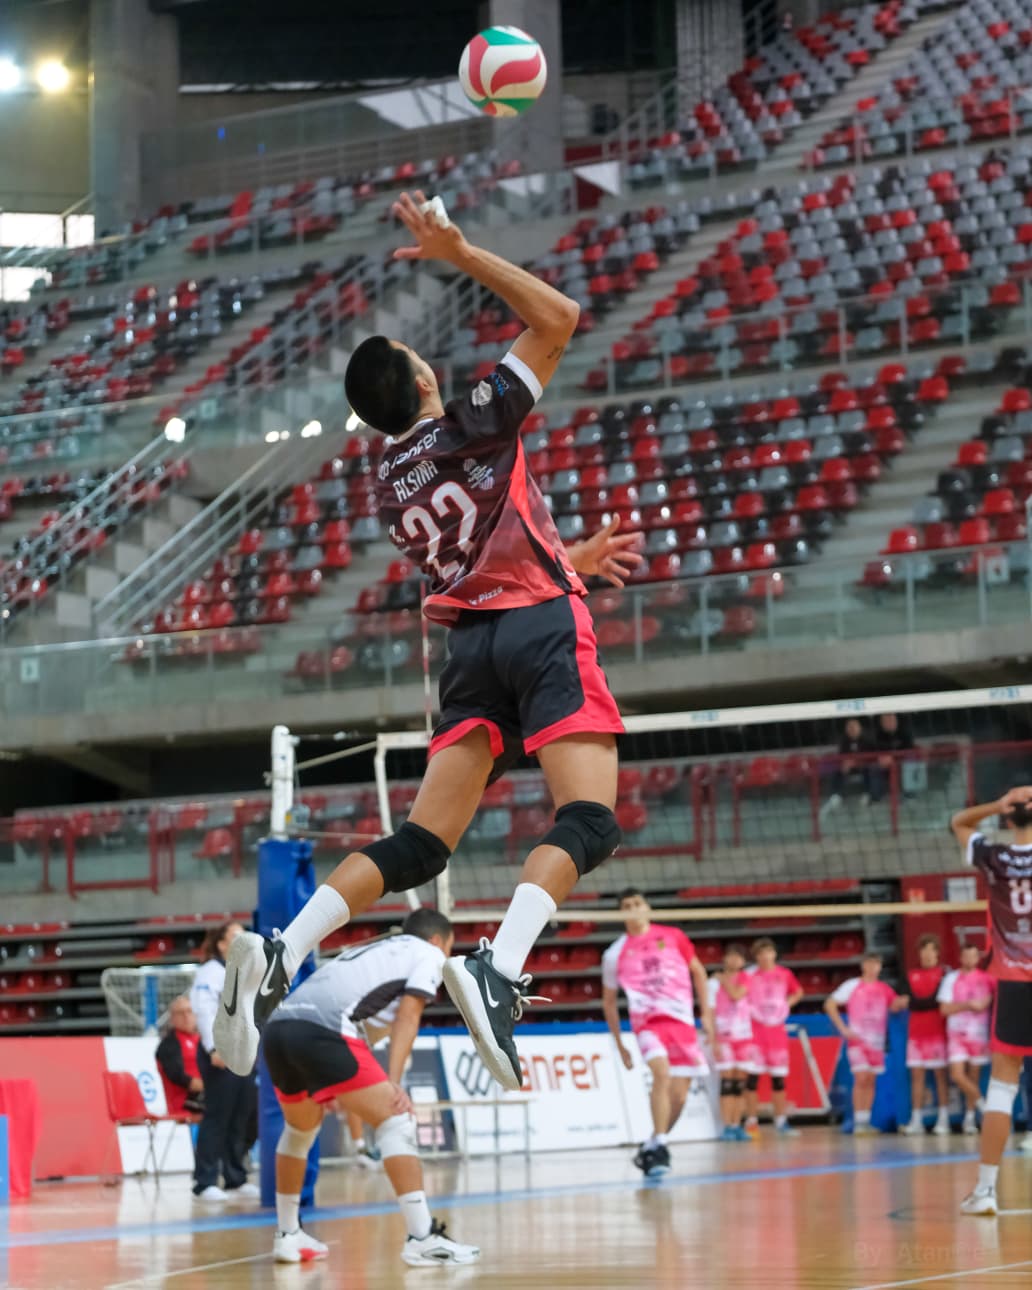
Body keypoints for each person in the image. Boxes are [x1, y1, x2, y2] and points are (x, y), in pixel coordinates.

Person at [215, 191, 642, 1092]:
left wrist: (568, 554)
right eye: (418, 358)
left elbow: (469, 562)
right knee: (590, 819)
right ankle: (499, 968)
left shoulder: (386, 479)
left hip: (473, 650)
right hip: (538, 626)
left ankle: (284, 947)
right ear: (418, 384)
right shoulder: (469, 422)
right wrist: (459, 253)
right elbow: (559, 317)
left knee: (420, 843)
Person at [262, 908, 479, 1267]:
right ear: (437, 940)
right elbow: (408, 1016)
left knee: (299, 1132)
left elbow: (363, 1020)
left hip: (279, 1028)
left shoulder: (375, 950)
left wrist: (331, 1081)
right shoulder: (428, 954)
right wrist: (394, 1083)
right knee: (396, 1119)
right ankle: (422, 1238)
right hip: (323, 1030)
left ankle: (287, 1235)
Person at [951, 787, 1032, 1215]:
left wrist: (998, 804)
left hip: (1015, 982)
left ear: (1008, 819)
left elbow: (959, 823)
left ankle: (985, 1191)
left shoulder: (995, 858)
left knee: (1003, 1085)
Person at [601, 888, 715, 1177]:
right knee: (662, 1074)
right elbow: (609, 1002)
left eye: (637, 903)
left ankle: (652, 1145)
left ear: (647, 907)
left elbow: (699, 972)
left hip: (682, 1022)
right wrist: (620, 1044)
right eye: (627, 905)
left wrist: (706, 1014)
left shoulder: (673, 936)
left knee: (679, 1098)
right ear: (620, 913)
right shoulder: (614, 954)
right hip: (648, 1024)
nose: (633, 908)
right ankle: (661, 1145)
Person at [190, 921, 258, 1202]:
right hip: (220, 1051)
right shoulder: (210, 972)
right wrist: (213, 1048)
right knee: (218, 1115)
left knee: (241, 1115)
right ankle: (204, 1181)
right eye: (235, 937)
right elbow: (204, 1011)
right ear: (221, 944)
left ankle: (235, 1177)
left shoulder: (245, 972)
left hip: (244, 1049)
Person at [825, 952, 908, 1135]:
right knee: (861, 1077)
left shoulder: (884, 989)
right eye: (869, 963)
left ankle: (865, 1120)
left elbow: (894, 1005)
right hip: (858, 1040)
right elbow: (830, 1003)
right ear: (863, 965)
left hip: (876, 1042)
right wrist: (843, 1028)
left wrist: (907, 1000)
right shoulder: (852, 985)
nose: (872, 968)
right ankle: (858, 1122)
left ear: (880, 967)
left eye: (876, 964)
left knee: (870, 1079)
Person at [742, 938, 804, 1136]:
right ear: (756, 956)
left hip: (777, 1034)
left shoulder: (784, 974)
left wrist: (787, 1004)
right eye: (761, 953)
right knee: (752, 1079)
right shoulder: (749, 975)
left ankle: (781, 1121)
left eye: (769, 952)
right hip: (755, 1033)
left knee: (778, 1079)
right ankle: (751, 1122)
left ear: (774, 954)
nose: (765, 956)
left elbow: (798, 991)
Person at [938, 942, 994, 1134]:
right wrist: (968, 1005)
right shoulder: (951, 979)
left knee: (974, 1076)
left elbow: (991, 1000)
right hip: (957, 1035)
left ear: (977, 958)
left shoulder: (987, 979)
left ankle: (970, 1120)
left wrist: (984, 1003)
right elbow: (944, 1009)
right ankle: (984, 1107)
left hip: (979, 1035)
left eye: (973, 956)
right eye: (966, 956)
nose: (969, 960)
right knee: (957, 1074)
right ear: (960, 958)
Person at [901, 934, 951, 1137]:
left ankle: (944, 1119)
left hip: (937, 1033)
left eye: (931, 949)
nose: (927, 954)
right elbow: (911, 1002)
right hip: (916, 1035)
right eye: (924, 950)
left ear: (937, 953)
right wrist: (916, 1003)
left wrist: (916, 1003)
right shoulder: (910, 975)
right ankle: (916, 1121)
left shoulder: (944, 975)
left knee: (940, 1077)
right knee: (917, 1077)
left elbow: (933, 1001)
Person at [706, 944, 757, 1141]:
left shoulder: (745, 978)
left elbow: (736, 995)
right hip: (724, 1037)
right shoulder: (713, 983)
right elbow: (709, 1011)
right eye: (731, 956)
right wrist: (713, 1038)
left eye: (738, 957)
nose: (734, 960)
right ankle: (727, 1125)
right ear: (724, 959)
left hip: (744, 1037)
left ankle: (737, 1124)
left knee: (740, 1083)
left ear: (743, 961)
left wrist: (724, 981)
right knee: (727, 1082)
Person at [155, 995, 204, 1117]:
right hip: (188, 1104)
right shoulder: (169, 1045)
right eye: (180, 1013)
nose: (186, 1016)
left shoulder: (203, 1040)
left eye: (189, 1011)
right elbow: (178, 1076)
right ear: (172, 1019)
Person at [822, 718, 875, 815]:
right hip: (850, 768)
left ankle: (868, 794)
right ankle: (836, 795)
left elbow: (871, 758)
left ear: (859, 728)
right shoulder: (844, 742)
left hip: (863, 766)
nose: (852, 729)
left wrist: (857, 762)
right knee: (837, 771)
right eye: (849, 727)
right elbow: (841, 757)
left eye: (854, 727)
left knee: (870, 770)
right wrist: (844, 764)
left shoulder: (867, 741)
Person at [871, 713, 916, 803]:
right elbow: (874, 751)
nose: (889, 723)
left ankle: (910, 794)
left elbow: (910, 750)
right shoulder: (877, 735)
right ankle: (876, 797)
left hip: (902, 761)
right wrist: (880, 758)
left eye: (891, 720)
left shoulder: (905, 733)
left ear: (896, 721)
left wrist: (894, 758)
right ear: (882, 723)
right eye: (886, 721)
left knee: (910, 762)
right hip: (885, 764)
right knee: (874, 767)